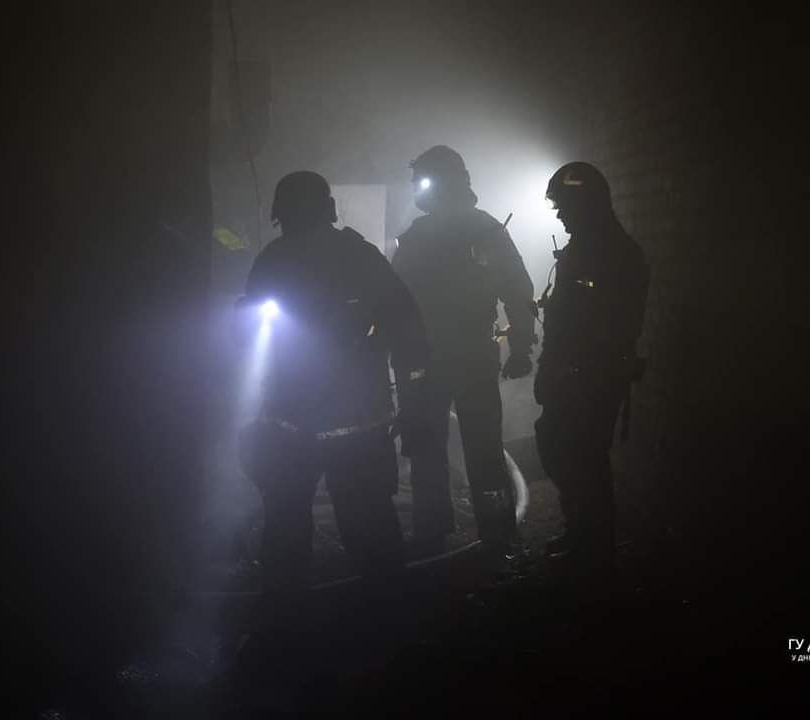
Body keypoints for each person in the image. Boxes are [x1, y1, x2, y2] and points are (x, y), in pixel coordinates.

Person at [235, 171, 431, 597]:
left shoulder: (273, 259)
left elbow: (248, 335)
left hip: (295, 423)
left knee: (286, 527)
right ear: (329, 209)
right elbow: (407, 329)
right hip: (352, 420)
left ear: (281, 215)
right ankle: (389, 614)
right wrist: (414, 399)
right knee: (368, 528)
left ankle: (285, 616)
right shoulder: (358, 256)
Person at [391, 145, 537, 559]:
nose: (417, 190)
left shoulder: (423, 235)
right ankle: (497, 532)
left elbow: (393, 299)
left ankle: (434, 531)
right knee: (480, 447)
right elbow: (518, 290)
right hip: (468, 357)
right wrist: (520, 347)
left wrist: (392, 351)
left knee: (430, 446)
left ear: (439, 183)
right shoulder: (484, 229)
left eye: (421, 181)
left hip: (427, 362)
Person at [535, 161, 649, 568]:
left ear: (585, 204)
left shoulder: (615, 253)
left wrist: (574, 367)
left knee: (584, 455)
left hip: (593, 376)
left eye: (564, 207)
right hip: (572, 373)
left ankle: (594, 544)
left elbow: (613, 323)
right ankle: (581, 531)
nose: (560, 216)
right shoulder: (584, 250)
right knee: (560, 445)